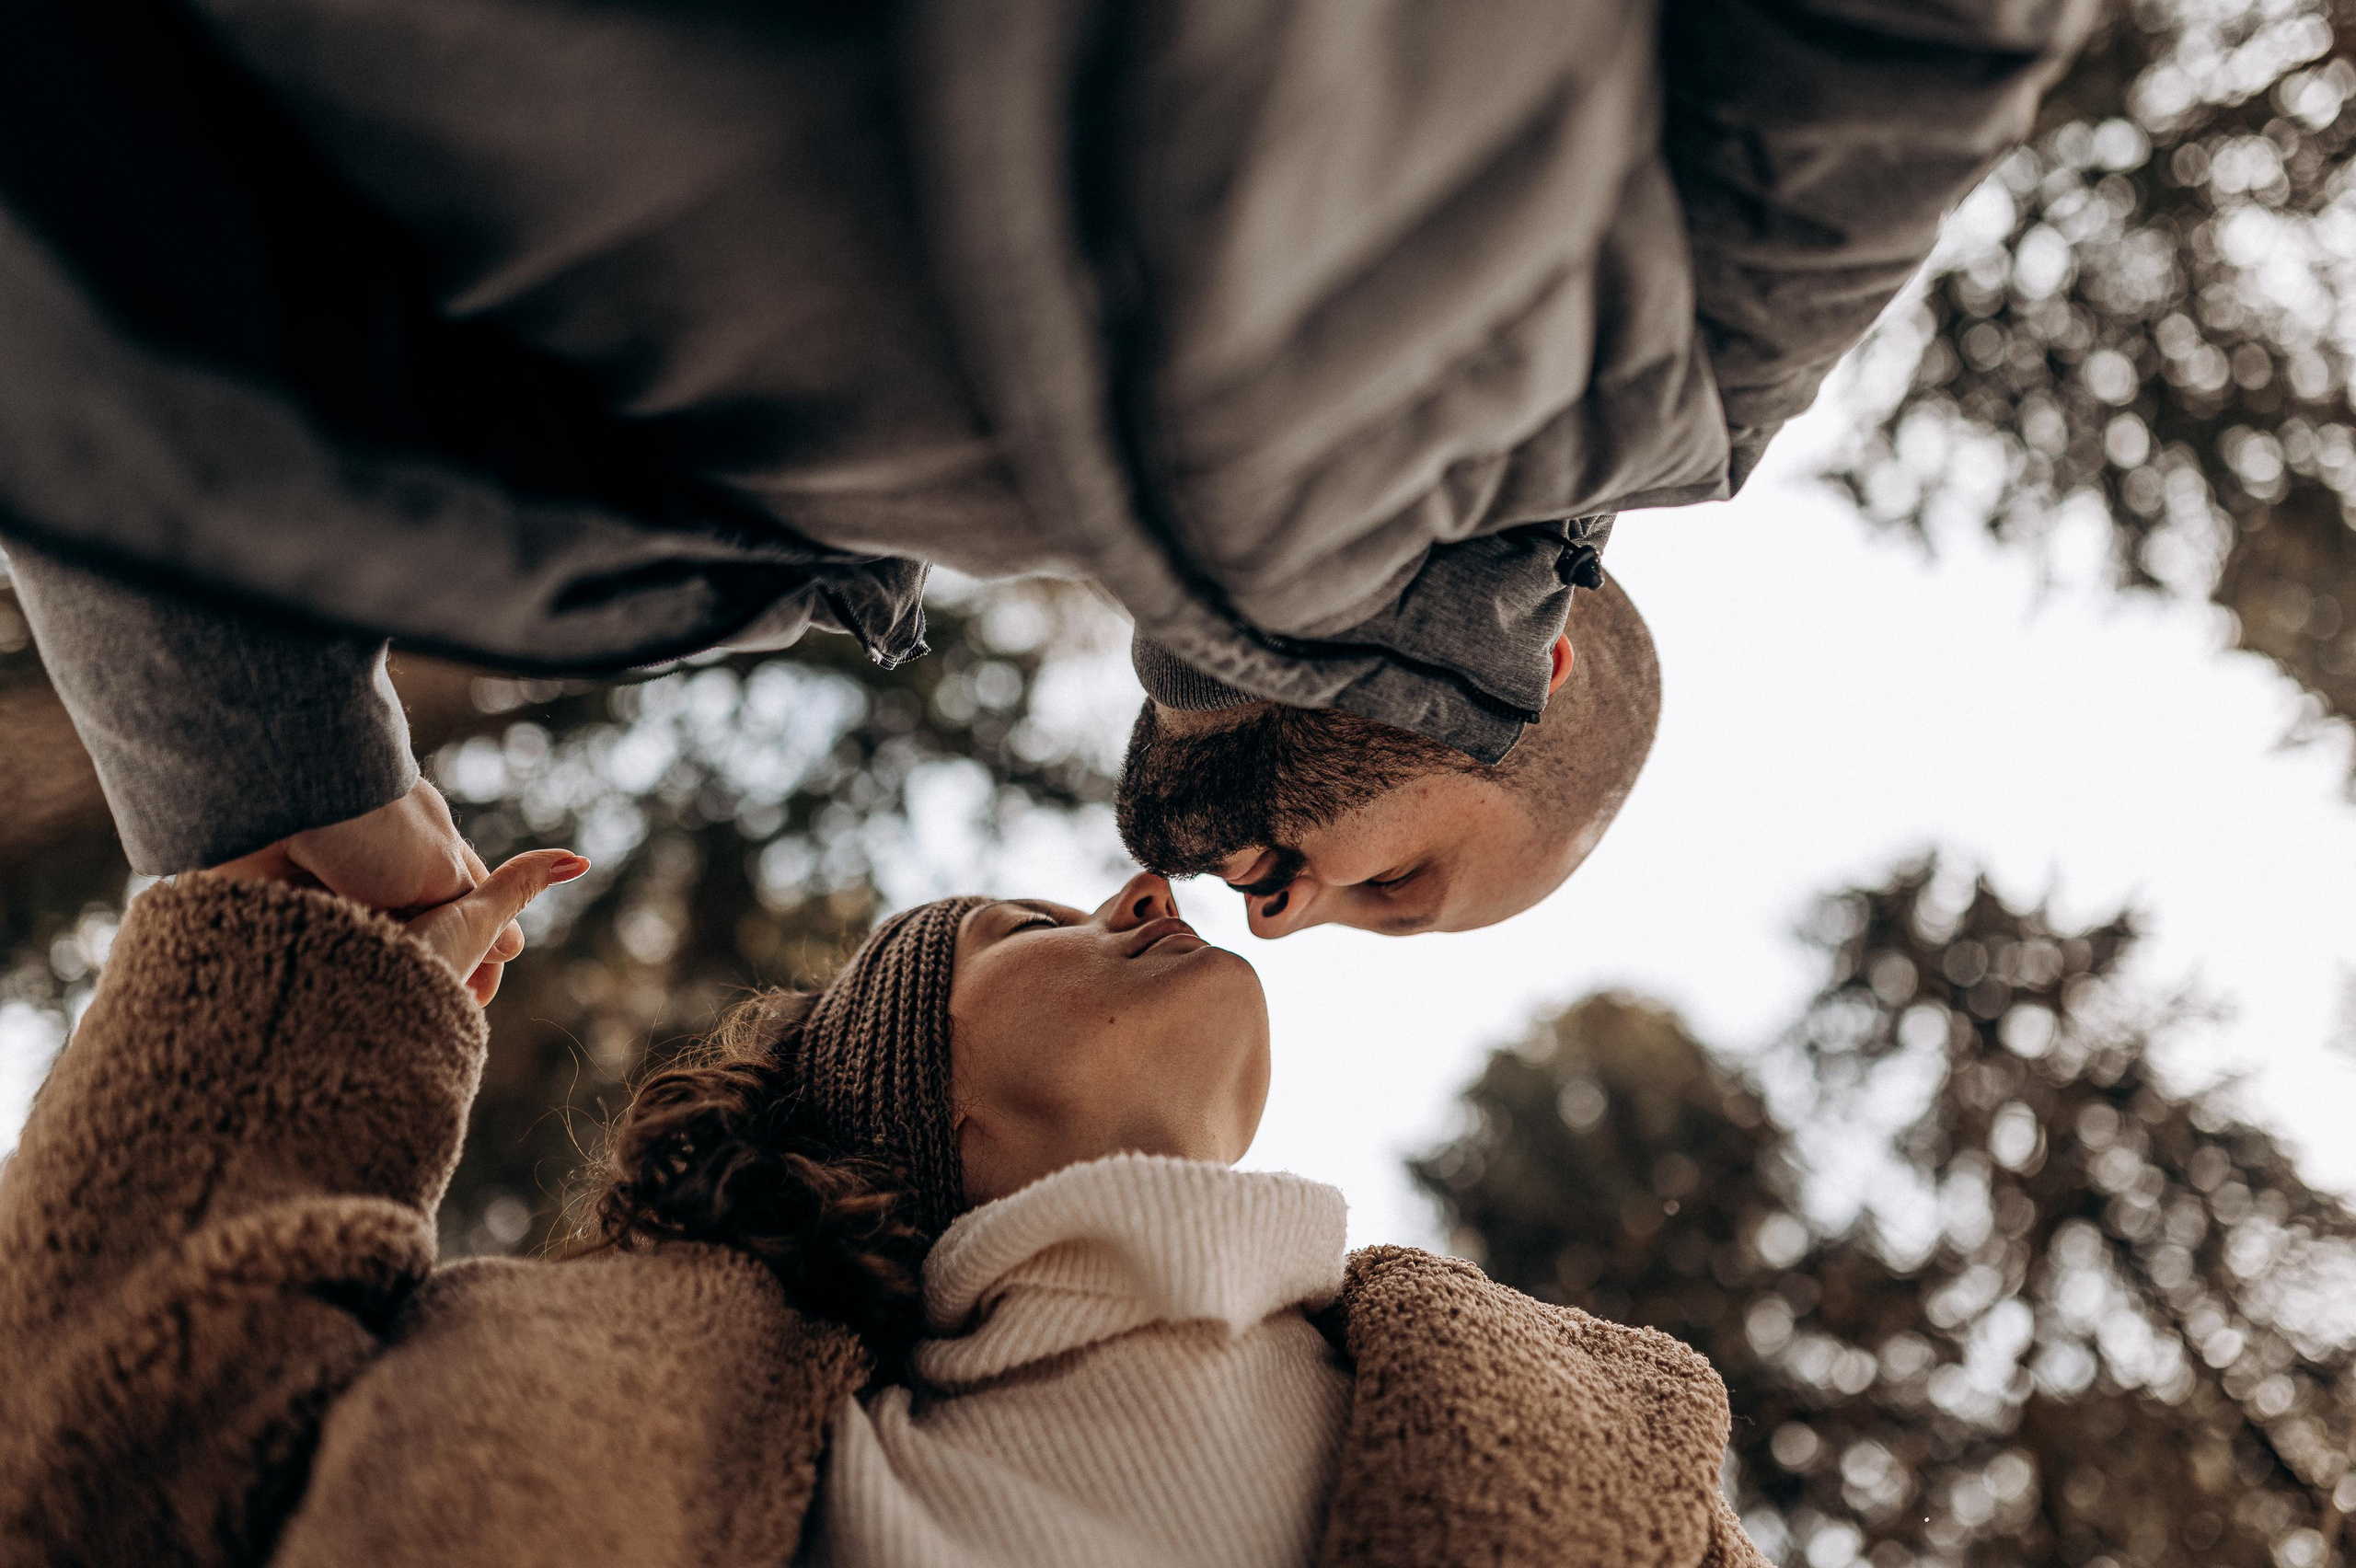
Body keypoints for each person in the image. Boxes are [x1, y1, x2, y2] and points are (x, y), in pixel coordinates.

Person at [0, 0, 2095, 936]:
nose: (1280, 930)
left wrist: (278, 809)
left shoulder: (756, 558)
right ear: (1540, 678)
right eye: (1402, 900)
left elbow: (138, 330)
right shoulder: (1677, 376)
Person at [0, 859, 1768, 1567]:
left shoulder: (1598, 1442)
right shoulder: (680, 1435)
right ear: (919, 1116)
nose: (1144, 889)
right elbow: (111, 1434)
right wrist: (334, 992)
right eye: (1018, 927)